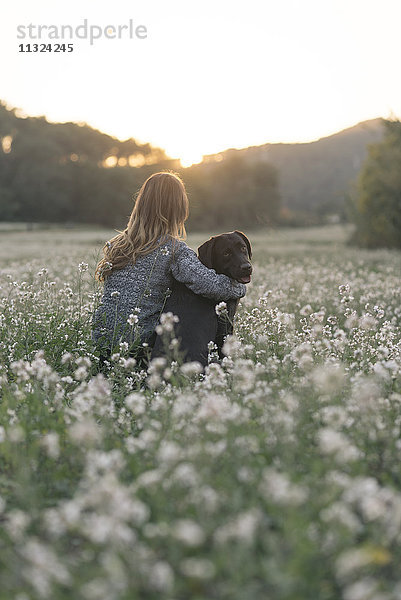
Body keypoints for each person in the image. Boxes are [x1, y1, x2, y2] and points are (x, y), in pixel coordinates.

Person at [92, 171, 246, 368]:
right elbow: (213, 286)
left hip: (103, 351)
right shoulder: (173, 250)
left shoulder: (117, 245)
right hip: (140, 353)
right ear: (179, 209)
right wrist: (241, 286)